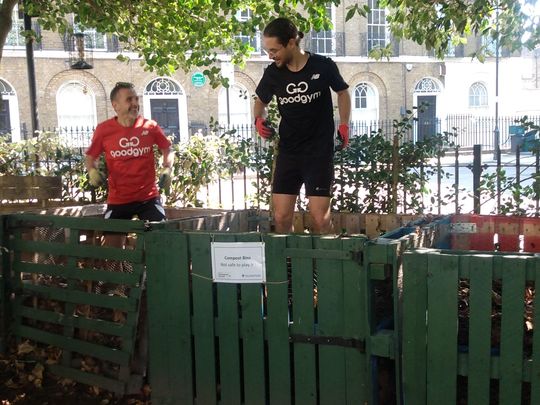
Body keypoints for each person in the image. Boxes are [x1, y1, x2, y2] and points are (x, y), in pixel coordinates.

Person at [254, 17, 351, 234]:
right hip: (289, 151)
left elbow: (343, 92)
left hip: (318, 152)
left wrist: (344, 125)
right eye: (267, 50)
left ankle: (328, 266)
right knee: (281, 216)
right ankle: (286, 266)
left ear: (291, 43)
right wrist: (258, 120)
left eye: (274, 49)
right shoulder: (272, 73)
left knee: (320, 218)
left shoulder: (323, 65)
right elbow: (260, 101)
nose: (270, 55)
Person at [85, 81, 174, 223]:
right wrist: (92, 171)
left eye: (136, 99)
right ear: (116, 106)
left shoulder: (150, 127)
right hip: (119, 200)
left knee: (160, 238)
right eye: (129, 99)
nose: (135, 103)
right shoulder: (104, 130)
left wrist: (167, 168)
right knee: (112, 243)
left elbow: (167, 148)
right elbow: (91, 156)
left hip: (148, 198)